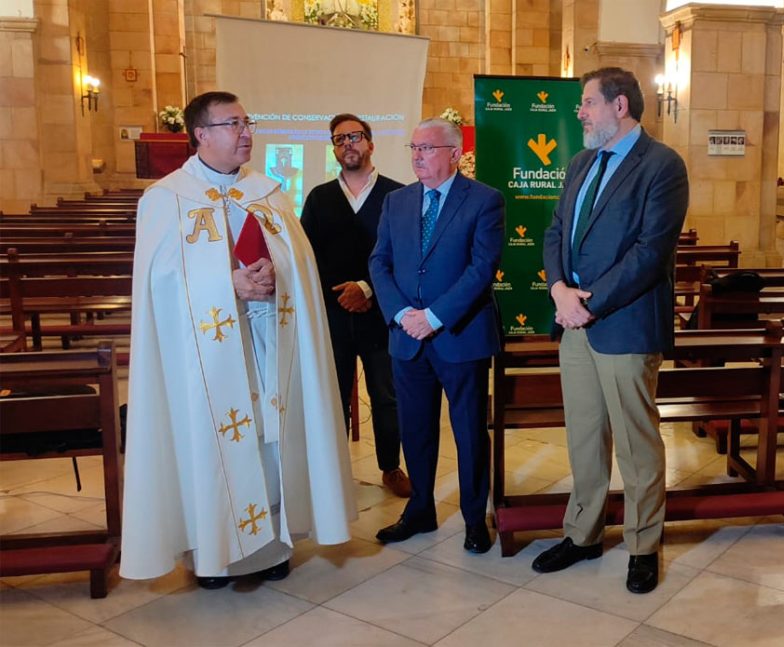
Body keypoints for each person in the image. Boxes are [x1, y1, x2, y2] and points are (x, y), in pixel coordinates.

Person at [121, 91, 357, 589]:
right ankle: (214, 553)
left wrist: (276, 272)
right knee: (210, 442)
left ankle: (270, 548)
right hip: (203, 354)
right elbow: (157, 283)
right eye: (233, 124)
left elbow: (300, 264)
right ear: (201, 135)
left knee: (268, 440)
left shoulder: (266, 193)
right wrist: (227, 284)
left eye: (247, 122)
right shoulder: (165, 198)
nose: (246, 132)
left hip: (266, 338)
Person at [534, 67, 689, 594]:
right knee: (583, 437)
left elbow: (651, 252)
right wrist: (558, 289)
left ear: (619, 106)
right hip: (574, 322)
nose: (579, 112)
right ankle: (583, 534)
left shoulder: (662, 165)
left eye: (587, 103)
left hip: (623, 323)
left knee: (635, 442)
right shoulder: (581, 162)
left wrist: (589, 304)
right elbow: (555, 230)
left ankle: (643, 544)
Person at [369, 117, 504, 554]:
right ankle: (421, 510)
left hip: (459, 336)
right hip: (407, 336)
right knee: (416, 429)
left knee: (467, 430)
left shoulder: (485, 200)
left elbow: (482, 269)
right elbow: (379, 263)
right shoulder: (396, 201)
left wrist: (436, 316)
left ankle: (473, 518)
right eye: (413, 148)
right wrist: (403, 313)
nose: (417, 156)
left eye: (426, 148)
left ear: (453, 152)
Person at [301, 113, 411, 498]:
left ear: (370, 143)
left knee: (387, 395)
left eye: (355, 136)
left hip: (382, 313)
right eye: (339, 139)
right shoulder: (319, 198)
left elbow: (406, 256)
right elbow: (308, 256)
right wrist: (342, 295)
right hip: (333, 313)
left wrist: (367, 289)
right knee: (332, 394)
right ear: (334, 149)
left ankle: (390, 467)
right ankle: (333, 472)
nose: (347, 144)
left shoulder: (398, 196)